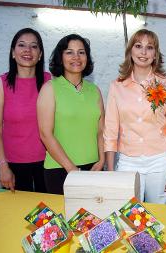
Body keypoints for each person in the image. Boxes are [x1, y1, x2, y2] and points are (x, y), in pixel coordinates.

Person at [104, 29, 166, 204]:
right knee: (128, 214)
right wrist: (110, 170)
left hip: (160, 161)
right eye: (138, 46)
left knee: (158, 213)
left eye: (150, 47)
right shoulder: (116, 86)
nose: (143, 52)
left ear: (155, 54)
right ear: (130, 51)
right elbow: (110, 130)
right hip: (127, 161)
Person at [37, 34, 105, 194]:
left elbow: (101, 131)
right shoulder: (50, 88)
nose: (76, 57)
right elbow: (45, 134)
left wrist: (102, 160)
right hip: (60, 170)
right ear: (61, 57)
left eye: (81, 52)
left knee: (95, 218)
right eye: (69, 52)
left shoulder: (95, 91)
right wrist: (72, 169)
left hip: (94, 168)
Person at [0, 28, 51, 192]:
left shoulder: (50, 82)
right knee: (16, 215)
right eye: (21, 45)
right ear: (13, 53)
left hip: (49, 164)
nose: (27, 50)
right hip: (14, 167)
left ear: (40, 54)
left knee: (48, 216)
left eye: (34, 46)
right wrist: (2, 166)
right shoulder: (0, 84)